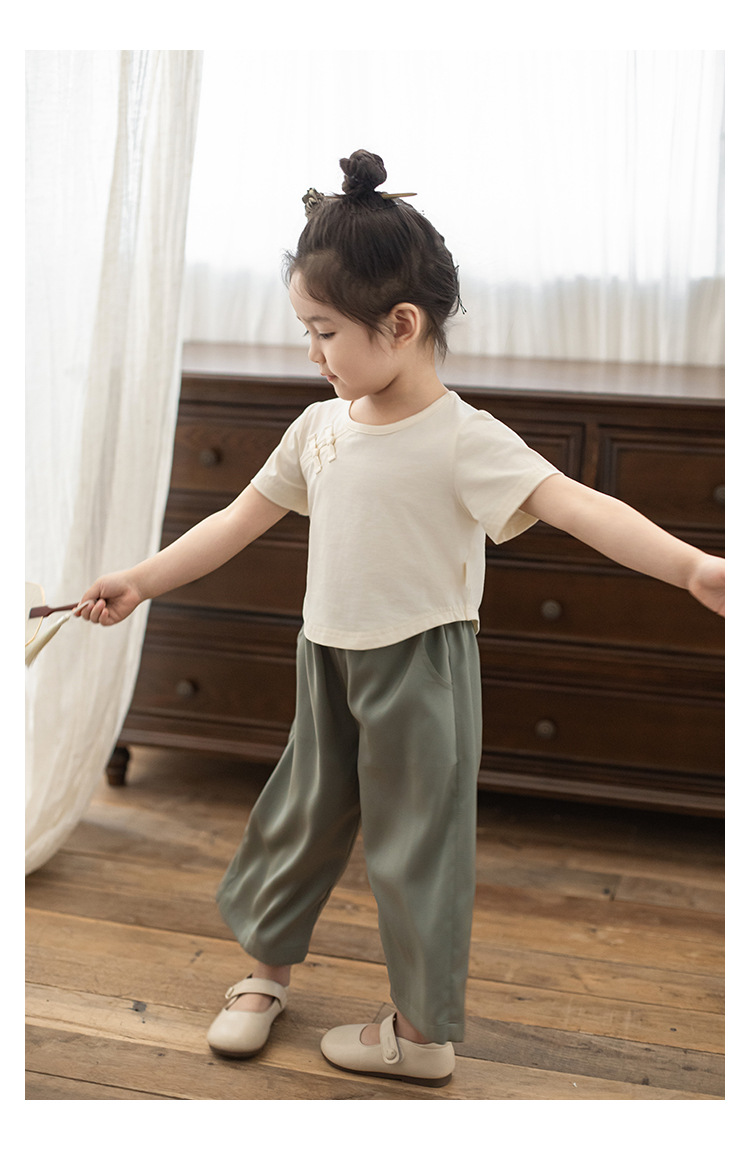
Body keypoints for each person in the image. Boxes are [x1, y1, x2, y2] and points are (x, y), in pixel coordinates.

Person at [76, 150, 725, 1088]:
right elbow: (235, 521)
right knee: (297, 820)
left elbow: (580, 506)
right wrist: (140, 580)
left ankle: (421, 1035)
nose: (312, 353)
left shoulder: (466, 439)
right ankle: (265, 976)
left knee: (418, 849)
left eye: (324, 331)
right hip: (326, 660)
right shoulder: (319, 429)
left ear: (402, 324)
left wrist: (694, 567)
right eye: (306, 330)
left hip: (422, 670)